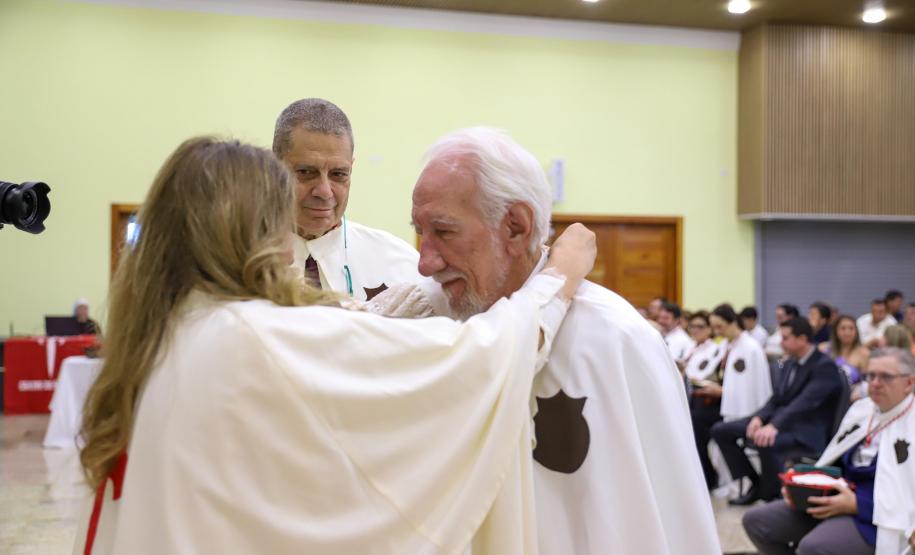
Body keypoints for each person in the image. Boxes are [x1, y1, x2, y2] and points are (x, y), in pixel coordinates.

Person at [73, 137, 597, 554]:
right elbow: (474, 362)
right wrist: (557, 279)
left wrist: (406, 299)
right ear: (250, 232)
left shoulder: (172, 332)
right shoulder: (250, 338)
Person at [408, 127, 720, 554]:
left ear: (516, 227)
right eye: (420, 233)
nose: (425, 263)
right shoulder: (441, 321)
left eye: (443, 233)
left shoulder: (616, 338)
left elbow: (664, 516)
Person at [742, 348, 915, 555]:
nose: (875, 383)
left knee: (813, 547)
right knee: (757, 522)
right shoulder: (862, 410)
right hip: (838, 493)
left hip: (877, 516)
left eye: (886, 376)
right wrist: (802, 487)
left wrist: (859, 504)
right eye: (871, 375)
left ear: (909, 383)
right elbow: (834, 460)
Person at [273, 98, 419, 300]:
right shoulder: (234, 267)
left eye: (338, 174)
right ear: (273, 167)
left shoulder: (401, 264)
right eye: (306, 172)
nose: (324, 191)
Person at [713, 317, 843, 505]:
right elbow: (777, 399)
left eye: (786, 338)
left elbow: (804, 403)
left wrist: (774, 425)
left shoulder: (824, 366)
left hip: (806, 428)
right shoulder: (789, 362)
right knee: (721, 430)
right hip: (782, 420)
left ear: (803, 339)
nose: (781, 343)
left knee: (765, 440)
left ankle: (771, 496)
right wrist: (759, 417)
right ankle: (755, 483)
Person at [684, 310, 729, 489]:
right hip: (694, 396)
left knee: (695, 430)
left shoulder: (715, 348)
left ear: (709, 329)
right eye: (692, 326)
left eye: (700, 327)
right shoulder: (692, 347)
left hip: (710, 401)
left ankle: (707, 478)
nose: (695, 330)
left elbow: (703, 375)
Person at [821, 314, 870, 399]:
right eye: (843, 328)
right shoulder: (824, 349)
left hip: (851, 398)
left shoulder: (864, 353)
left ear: (856, 331)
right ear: (836, 331)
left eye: (851, 328)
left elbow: (866, 383)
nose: (847, 332)